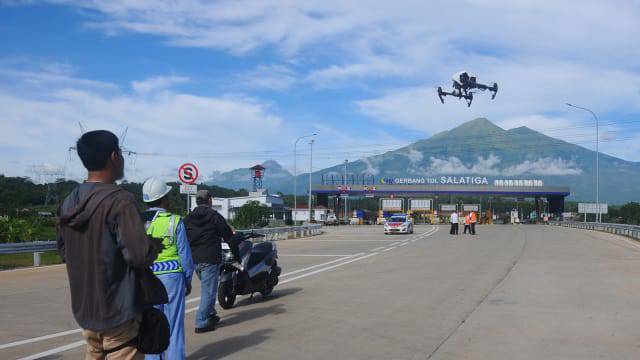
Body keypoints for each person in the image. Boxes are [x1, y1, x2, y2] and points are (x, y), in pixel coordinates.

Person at [57, 130, 162, 359]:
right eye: (121, 153)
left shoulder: (69, 202)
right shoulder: (120, 200)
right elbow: (138, 255)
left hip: (86, 309)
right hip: (119, 311)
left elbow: (65, 251)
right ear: (114, 156)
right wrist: (152, 246)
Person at [141, 177, 194, 360]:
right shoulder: (175, 221)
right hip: (172, 278)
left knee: (151, 325)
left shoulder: (138, 222)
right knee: (174, 325)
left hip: (147, 279)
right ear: (164, 198)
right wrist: (187, 280)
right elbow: (185, 257)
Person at [184, 190, 239, 333]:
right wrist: (236, 255)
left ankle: (210, 314)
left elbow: (182, 239)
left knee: (207, 288)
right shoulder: (214, 216)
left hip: (194, 260)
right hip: (209, 258)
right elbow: (229, 237)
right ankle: (201, 322)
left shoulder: (188, 218)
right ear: (209, 200)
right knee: (208, 292)